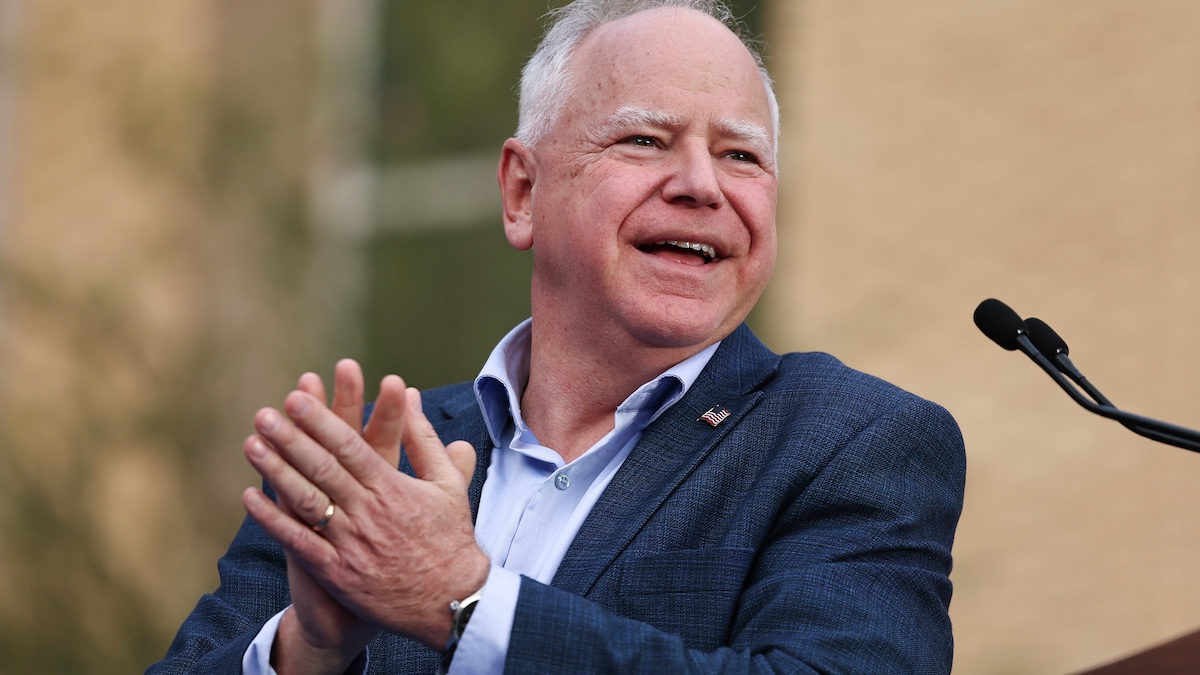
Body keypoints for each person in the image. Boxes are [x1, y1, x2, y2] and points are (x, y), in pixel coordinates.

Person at [149, 1, 966, 673]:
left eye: (741, 155)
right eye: (646, 140)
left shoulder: (853, 441)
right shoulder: (372, 469)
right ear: (521, 191)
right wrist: (306, 650)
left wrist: (463, 600)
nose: (701, 185)